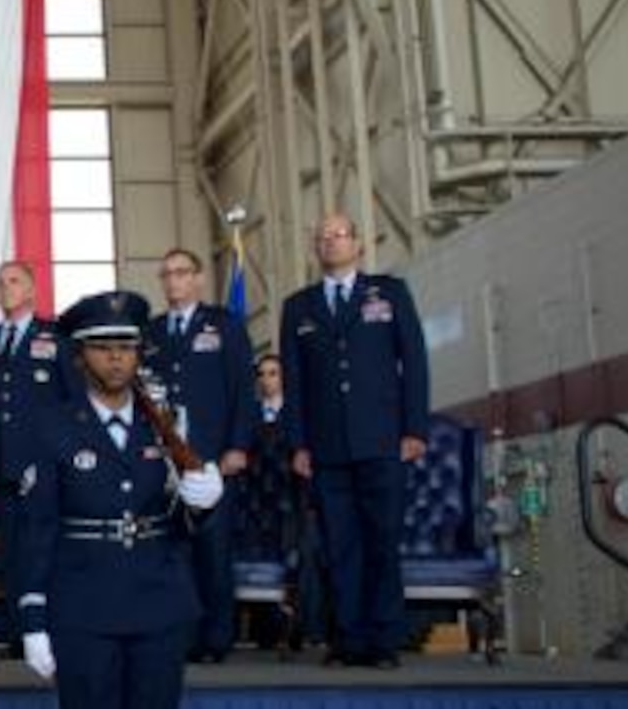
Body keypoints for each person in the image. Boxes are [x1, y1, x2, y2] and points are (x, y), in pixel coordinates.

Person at [12, 291, 222, 709]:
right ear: (81, 357)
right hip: (82, 611)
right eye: (103, 348)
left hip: (159, 607)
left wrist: (203, 505)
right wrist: (33, 619)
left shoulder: (168, 425)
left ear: (139, 354)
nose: (116, 359)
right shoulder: (50, 427)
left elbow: (182, 522)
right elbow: (35, 530)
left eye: (127, 347)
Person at [278, 213, 430, 669]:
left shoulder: (389, 293)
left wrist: (414, 429)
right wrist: (299, 443)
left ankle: (383, 642)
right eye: (321, 238)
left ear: (358, 244)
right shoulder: (298, 306)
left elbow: (415, 364)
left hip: (383, 441)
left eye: (338, 236)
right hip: (326, 450)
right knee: (338, 546)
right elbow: (295, 381)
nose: (330, 243)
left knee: (381, 542)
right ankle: (348, 639)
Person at [143, 249, 256, 663]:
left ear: (199, 278)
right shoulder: (151, 331)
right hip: (163, 461)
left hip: (211, 459)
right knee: (174, 553)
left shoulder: (224, 325)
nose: (172, 281)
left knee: (212, 552)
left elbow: (244, 390)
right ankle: (181, 636)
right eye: (166, 274)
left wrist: (238, 446)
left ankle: (216, 638)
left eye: (181, 273)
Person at [0, 260, 72, 650]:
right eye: (0, 281)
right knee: (7, 549)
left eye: (14, 281)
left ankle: (45, 629)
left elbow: (71, 402)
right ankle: (17, 633)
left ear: (31, 290)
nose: (5, 287)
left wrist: (63, 455)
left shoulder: (57, 336)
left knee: (43, 548)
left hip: (43, 464)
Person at [242, 355, 326, 650]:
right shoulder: (248, 416)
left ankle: (307, 629)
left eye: (274, 373)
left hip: (296, 504)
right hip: (257, 508)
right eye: (262, 374)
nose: (267, 380)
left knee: (309, 546)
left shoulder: (301, 417)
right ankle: (266, 631)